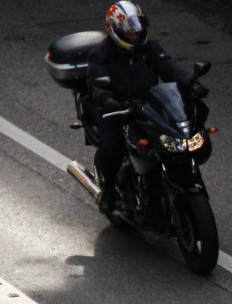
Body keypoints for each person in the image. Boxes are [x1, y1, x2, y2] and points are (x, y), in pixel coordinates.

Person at [86, 2, 200, 212]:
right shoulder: (101, 54)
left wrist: (191, 83)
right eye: (130, 31)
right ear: (116, 29)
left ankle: (171, 180)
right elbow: (96, 83)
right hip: (115, 109)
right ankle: (109, 191)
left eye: (138, 28)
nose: (136, 35)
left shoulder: (150, 49)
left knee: (170, 138)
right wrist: (107, 99)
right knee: (111, 146)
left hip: (147, 106)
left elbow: (170, 68)